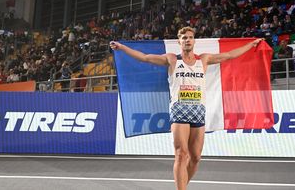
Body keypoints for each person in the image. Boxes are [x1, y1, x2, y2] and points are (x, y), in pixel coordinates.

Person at [110, 26, 263, 190]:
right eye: (184, 38)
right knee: (181, 154)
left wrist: (252, 44)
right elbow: (145, 57)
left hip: (198, 112)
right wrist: (122, 47)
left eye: (190, 37)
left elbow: (229, 55)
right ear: (179, 41)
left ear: (194, 41)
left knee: (196, 157)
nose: (187, 40)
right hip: (179, 111)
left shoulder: (203, 59)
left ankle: (182, 185)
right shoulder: (172, 59)